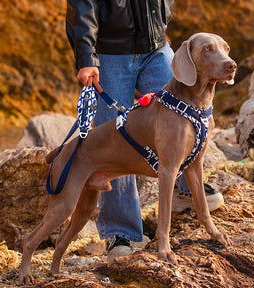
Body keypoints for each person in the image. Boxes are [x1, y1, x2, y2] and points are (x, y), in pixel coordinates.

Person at [66, 0, 224, 262]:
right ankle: (122, 232)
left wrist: (158, 23)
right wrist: (86, 57)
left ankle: (184, 190)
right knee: (116, 142)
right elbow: (82, 7)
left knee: (191, 112)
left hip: (156, 49)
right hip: (110, 53)